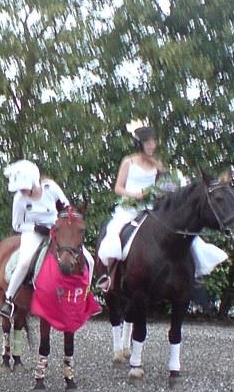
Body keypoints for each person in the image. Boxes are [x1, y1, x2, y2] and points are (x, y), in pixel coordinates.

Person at [96, 120, 227, 291]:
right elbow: (118, 188)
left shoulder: (158, 164)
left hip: (153, 206)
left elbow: (168, 185)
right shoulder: (129, 161)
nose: (151, 145)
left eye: (153, 141)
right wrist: (135, 194)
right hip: (130, 207)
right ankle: (109, 277)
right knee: (114, 233)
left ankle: (193, 274)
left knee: (185, 235)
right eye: (147, 142)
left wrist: (178, 185)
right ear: (140, 144)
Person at [0, 159, 70, 319]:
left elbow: (66, 207)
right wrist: (36, 228)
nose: (21, 191)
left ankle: (84, 294)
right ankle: (9, 299)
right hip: (33, 232)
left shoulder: (51, 188)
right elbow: (17, 225)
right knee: (24, 263)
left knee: (83, 257)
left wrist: (61, 224)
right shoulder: (19, 199)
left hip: (57, 229)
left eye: (23, 187)